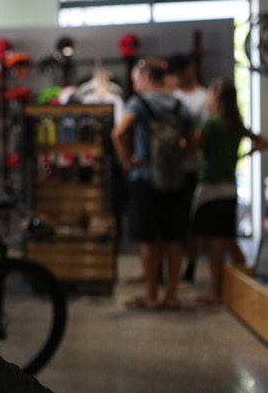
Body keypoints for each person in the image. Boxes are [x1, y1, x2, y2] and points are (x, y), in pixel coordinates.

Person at [111, 56, 194, 310]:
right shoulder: (179, 104)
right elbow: (193, 139)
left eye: (136, 79)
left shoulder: (139, 103)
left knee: (148, 239)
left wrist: (128, 160)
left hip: (145, 177)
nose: (135, 85)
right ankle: (171, 296)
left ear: (147, 77)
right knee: (174, 239)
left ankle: (151, 295)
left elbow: (118, 133)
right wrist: (178, 158)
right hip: (175, 178)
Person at [190, 79, 267, 305]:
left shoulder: (212, 124)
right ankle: (247, 286)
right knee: (230, 240)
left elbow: (194, 146)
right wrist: (243, 155)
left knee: (215, 242)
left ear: (216, 96)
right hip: (229, 188)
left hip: (211, 188)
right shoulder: (235, 124)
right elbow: (263, 142)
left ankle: (216, 291)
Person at [165, 52, 209, 282]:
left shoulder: (203, 98)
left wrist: (185, 150)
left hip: (192, 168)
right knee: (173, 222)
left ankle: (191, 264)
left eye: (175, 74)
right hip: (172, 169)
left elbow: (202, 137)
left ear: (187, 71)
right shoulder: (173, 97)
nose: (171, 79)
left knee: (190, 222)